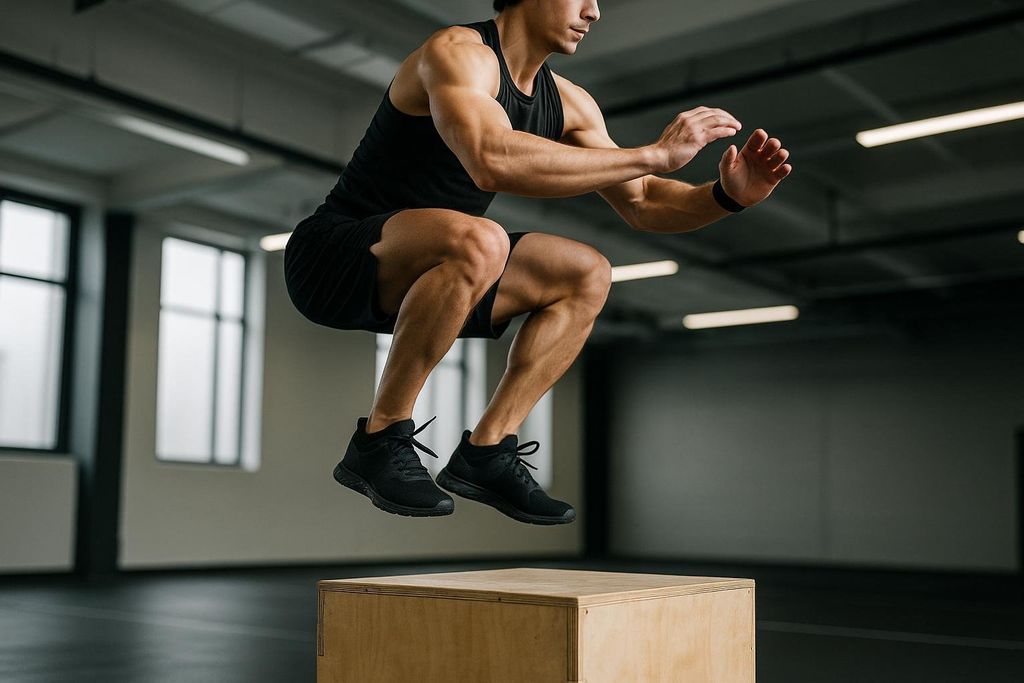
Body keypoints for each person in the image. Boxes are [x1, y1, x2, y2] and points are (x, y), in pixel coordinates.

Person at [283, 0, 792, 524]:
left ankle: (487, 451)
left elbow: (645, 204)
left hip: (438, 275)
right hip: (331, 259)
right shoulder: (457, 53)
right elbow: (491, 159)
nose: (593, 12)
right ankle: (380, 439)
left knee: (586, 271)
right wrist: (654, 154)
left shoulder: (571, 104)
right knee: (483, 239)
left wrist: (726, 197)